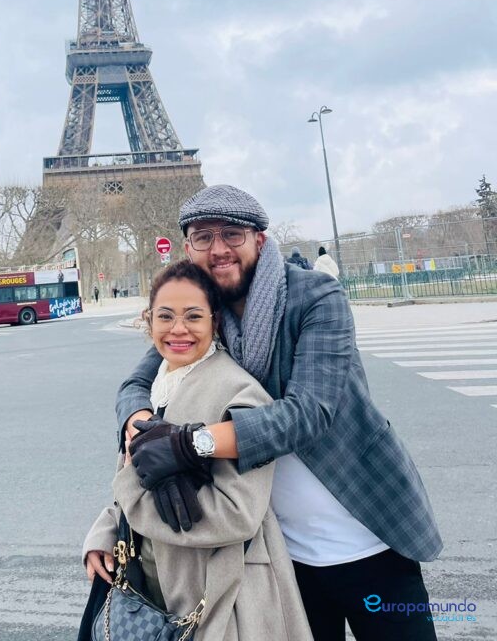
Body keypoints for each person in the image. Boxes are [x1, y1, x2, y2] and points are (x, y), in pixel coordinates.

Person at [117, 185, 441, 641]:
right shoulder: (202, 314)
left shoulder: (316, 296)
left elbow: (309, 413)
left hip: (370, 538)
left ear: (260, 241)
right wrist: (140, 430)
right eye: (204, 237)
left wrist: (189, 444)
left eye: (233, 234)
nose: (219, 248)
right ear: (188, 248)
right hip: (283, 560)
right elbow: (137, 385)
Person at [82, 260, 312, 641]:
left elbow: (238, 515)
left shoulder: (237, 392)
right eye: (165, 316)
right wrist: (105, 532)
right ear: (148, 321)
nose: (178, 329)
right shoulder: (158, 387)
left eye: (193, 316)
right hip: (158, 590)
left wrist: (132, 495)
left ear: (215, 322)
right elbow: (142, 483)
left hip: (224, 598)